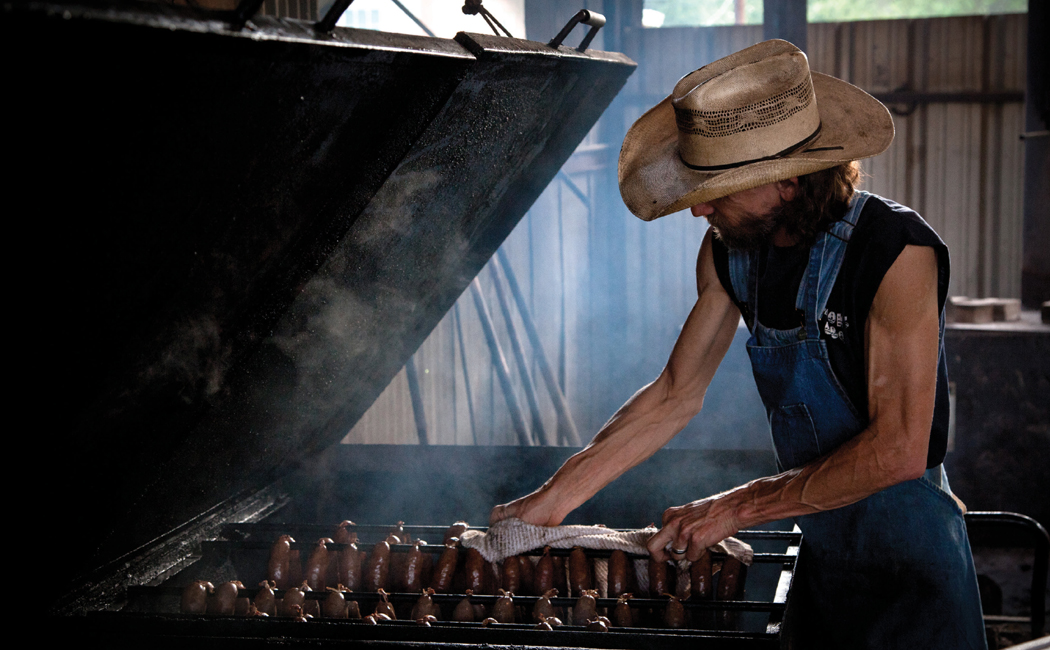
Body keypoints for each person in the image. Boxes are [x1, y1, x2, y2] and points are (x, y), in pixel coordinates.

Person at [489, 40, 986, 648]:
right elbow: (675, 393)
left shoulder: (896, 252)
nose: (698, 208)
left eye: (718, 187)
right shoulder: (731, 253)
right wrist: (552, 499)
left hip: (913, 570)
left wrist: (734, 508)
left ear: (788, 181)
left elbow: (898, 450)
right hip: (821, 558)